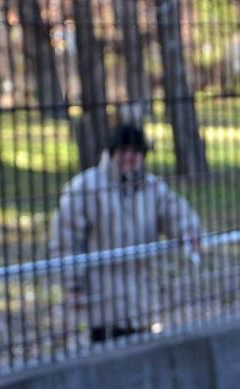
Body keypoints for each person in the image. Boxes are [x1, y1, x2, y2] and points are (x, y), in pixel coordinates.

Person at [49, 124, 202, 343]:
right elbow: (65, 237)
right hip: (102, 300)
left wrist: (189, 231)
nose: (130, 157)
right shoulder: (86, 186)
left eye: (136, 151)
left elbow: (174, 210)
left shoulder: (152, 187)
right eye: (124, 150)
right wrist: (73, 284)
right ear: (113, 152)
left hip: (142, 299)